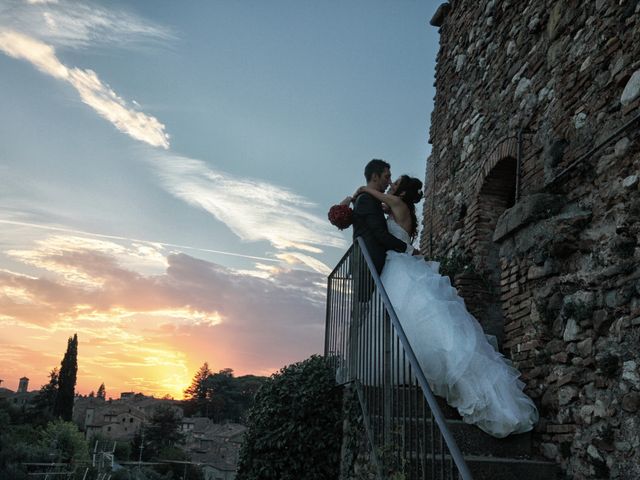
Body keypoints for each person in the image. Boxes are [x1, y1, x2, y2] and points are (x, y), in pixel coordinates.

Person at [350, 174, 539, 438]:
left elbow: (376, 199)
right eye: (390, 184)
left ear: (402, 194)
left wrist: (361, 190)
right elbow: (376, 211)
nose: (390, 187)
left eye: (394, 185)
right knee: (409, 318)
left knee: (413, 315)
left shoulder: (398, 204)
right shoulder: (399, 209)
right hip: (401, 264)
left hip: (400, 266)